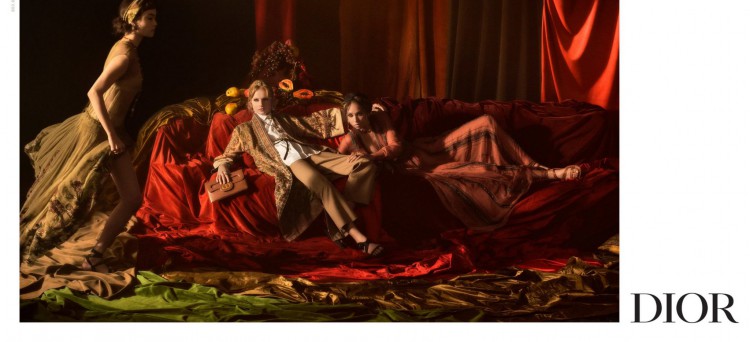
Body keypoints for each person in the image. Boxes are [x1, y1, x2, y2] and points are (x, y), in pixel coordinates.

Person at [20, 0, 158, 272]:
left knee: (131, 198)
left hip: (110, 130)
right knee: (61, 195)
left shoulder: (128, 48)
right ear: (133, 20)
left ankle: (94, 256)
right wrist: (111, 136)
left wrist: (115, 133)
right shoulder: (124, 55)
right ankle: (24, 246)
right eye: (150, 18)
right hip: (97, 131)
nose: (155, 23)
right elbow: (94, 92)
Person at [337, 93, 582, 228]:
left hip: (428, 151)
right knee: (482, 173)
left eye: (360, 114)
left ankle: (535, 165)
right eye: (351, 116)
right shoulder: (350, 141)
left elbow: (396, 146)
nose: (357, 120)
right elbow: (337, 164)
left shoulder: (380, 119)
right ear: (346, 119)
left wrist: (371, 156)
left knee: (486, 124)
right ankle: (550, 174)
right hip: (420, 171)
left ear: (367, 112)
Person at [213, 80, 384, 257]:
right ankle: (360, 239)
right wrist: (222, 166)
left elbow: (313, 124)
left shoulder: (283, 119)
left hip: (312, 153)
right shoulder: (244, 130)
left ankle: (342, 213)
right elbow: (228, 154)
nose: (261, 104)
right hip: (291, 162)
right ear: (250, 102)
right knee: (323, 186)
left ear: (273, 102)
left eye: (265, 100)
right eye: (256, 100)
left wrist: (364, 111)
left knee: (365, 164)